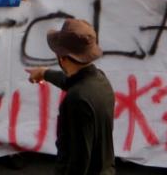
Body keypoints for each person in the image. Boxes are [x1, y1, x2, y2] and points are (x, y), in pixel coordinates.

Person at [25, 19, 115, 175]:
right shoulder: (100, 80)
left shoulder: (77, 99)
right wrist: (44, 73)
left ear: (62, 58)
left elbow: (79, 160)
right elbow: (71, 81)